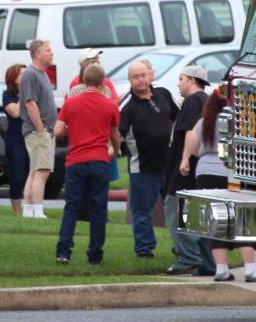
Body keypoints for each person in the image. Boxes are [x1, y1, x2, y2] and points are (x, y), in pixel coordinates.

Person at [180, 91, 256, 282]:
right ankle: (250, 269)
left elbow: (192, 145)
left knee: (217, 221)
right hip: (230, 172)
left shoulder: (203, 123)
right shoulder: (237, 121)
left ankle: (221, 269)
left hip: (204, 172)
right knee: (241, 221)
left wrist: (185, 159)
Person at [53, 64, 121, 265]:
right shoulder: (110, 106)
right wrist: (115, 150)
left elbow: (58, 131)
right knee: (98, 208)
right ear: (103, 82)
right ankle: (95, 254)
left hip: (75, 161)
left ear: (82, 81)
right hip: (100, 160)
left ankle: (63, 251)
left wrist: (73, 129)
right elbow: (114, 135)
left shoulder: (71, 103)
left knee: (72, 207)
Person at [118, 60, 178, 258]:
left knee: (176, 208)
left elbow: (177, 120)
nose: (141, 80)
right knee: (142, 212)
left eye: (144, 75)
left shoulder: (164, 94)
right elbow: (117, 134)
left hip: (169, 165)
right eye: (136, 77)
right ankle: (144, 250)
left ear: (150, 74)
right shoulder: (126, 106)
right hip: (143, 168)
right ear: (130, 80)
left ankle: (182, 247)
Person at [163, 65, 215, 276]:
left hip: (184, 173)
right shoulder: (207, 101)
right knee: (196, 219)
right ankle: (207, 264)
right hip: (200, 172)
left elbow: (190, 134)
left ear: (192, 80)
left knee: (176, 212)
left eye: (181, 78)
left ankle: (188, 258)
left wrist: (184, 160)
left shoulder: (192, 102)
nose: (178, 83)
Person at [20, 39, 58, 218]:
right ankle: (37, 210)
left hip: (44, 131)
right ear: (37, 54)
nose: (52, 53)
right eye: (48, 50)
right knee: (42, 171)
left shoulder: (42, 73)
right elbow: (30, 104)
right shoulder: (31, 74)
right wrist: (41, 129)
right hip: (38, 131)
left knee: (35, 170)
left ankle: (28, 211)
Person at [1, 63, 29, 216]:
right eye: (22, 75)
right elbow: (15, 113)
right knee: (17, 176)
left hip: (31, 138)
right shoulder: (8, 96)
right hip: (15, 140)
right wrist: (24, 93)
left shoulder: (32, 93)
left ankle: (32, 209)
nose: (26, 77)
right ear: (14, 78)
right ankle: (17, 213)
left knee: (30, 174)